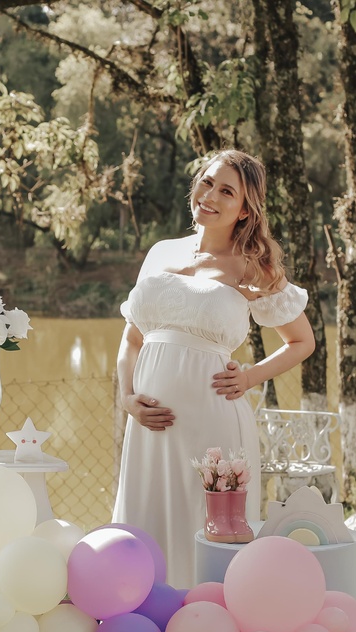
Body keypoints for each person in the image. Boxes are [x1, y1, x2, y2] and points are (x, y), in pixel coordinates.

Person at [112, 150, 316, 587]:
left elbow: (302, 342)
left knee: (206, 528)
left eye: (227, 191)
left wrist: (250, 377)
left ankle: (209, 617)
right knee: (145, 520)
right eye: (207, 182)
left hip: (211, 424)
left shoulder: (252, 266)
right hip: (148, 426)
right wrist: (127, 398)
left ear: (244, 209)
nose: (210, 196)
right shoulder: (160, 253)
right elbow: (131, 340)